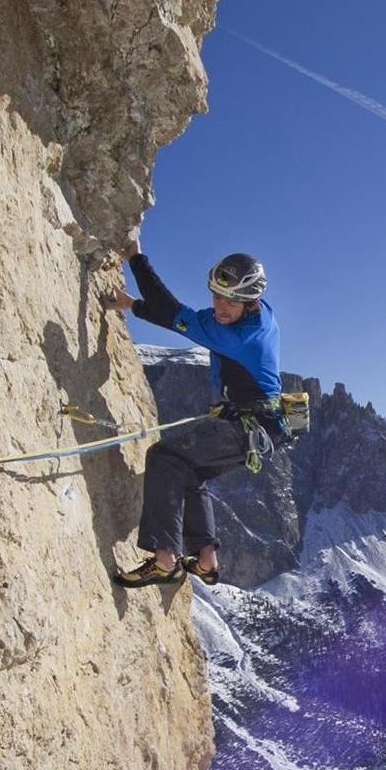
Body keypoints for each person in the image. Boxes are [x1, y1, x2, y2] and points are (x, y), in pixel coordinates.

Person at [106, 241, 281, 588]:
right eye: (216, 296)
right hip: (257, 425)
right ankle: (205, 560)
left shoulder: (236, 337)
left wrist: (135, 258)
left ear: (250, 301)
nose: (220, 306)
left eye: (230, 301)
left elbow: (172, 312)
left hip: (248, 426)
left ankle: (165, 559)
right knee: (190, 472)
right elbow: (177, 316)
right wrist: (133, 306)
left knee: (165, 455)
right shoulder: (259, 316)